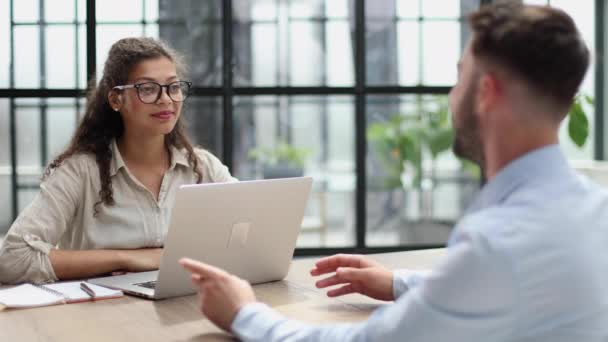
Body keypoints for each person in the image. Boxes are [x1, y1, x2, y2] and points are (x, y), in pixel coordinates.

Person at [180, 3, 608, 341]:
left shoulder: (495, 244)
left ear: (486, 93)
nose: (450, 93)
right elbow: (513, 287)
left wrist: (243, 313)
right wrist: (401, 283)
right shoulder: (593, 209)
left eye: (459, 77)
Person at [0, 37, 236, 284]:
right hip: (99, 315)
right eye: (147, 89)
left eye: (173, 87)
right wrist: (126, 258)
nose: (166, 99)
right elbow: (12, 259)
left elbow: (250, 236)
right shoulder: (80, 171)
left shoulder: (204, 167)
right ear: (116, 100)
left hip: (183, 309)